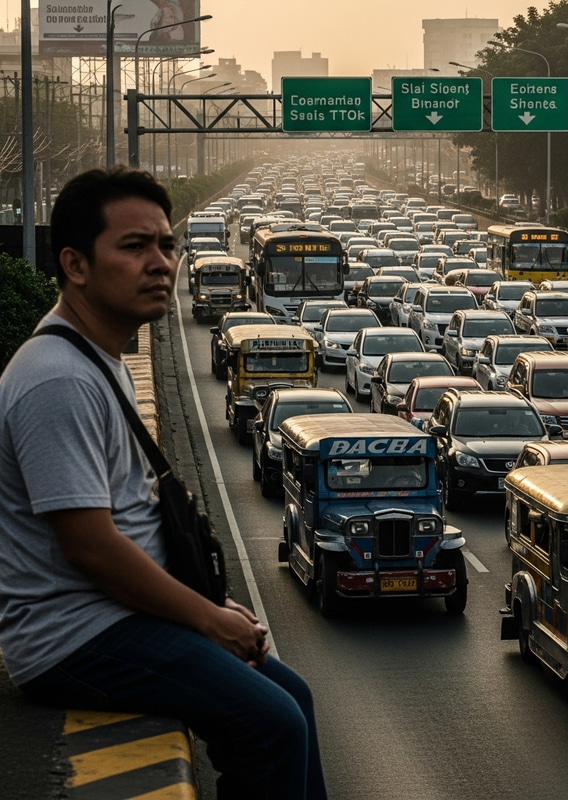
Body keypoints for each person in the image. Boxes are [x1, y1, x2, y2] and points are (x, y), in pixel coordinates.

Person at [0, 167, 327, 800]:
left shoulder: (101, 357)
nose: (160, 263)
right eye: (134, 247)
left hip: (116, 615)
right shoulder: (57, 378)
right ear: (74, 264)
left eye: (165, 245)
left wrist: (202, 607)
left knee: (295, 697)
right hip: (74, 637)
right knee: (272, 726)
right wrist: (205, 618)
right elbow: (91, 545)